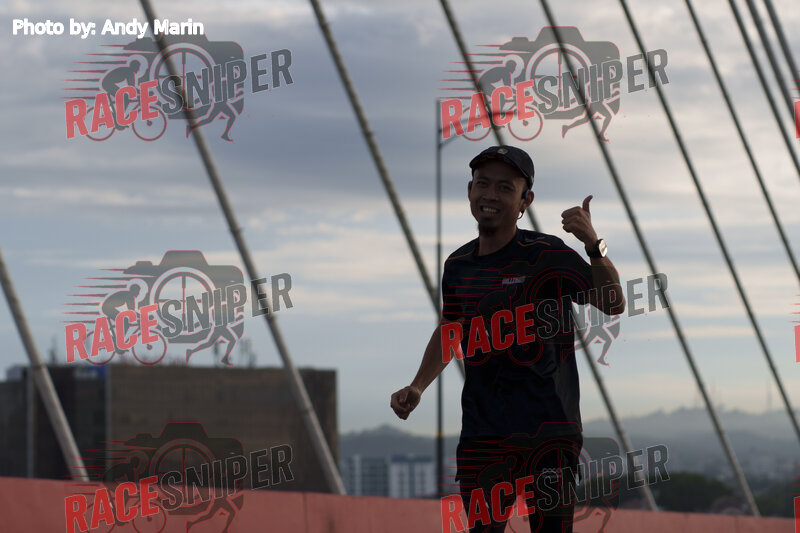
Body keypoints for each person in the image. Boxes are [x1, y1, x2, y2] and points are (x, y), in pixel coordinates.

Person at [390, 145, 625, 532]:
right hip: (484, 435)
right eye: (482, 184)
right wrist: (417, 386)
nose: (490, 195)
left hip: (549, 432)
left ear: (524, 201)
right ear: (469, 191)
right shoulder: (458, 265)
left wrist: (593, 244)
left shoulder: (546, 254)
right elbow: (451, 328)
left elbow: (612, 303)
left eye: (505, 188)